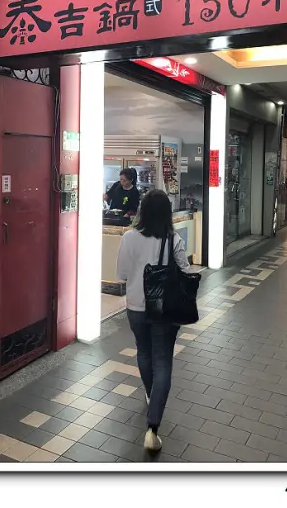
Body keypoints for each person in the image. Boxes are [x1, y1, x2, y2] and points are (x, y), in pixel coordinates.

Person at [116, 189, 190, 452]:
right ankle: (153, 428)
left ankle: (151, 394)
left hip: (136, 307)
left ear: (142, 211)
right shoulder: (173, 239)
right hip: (165, 310)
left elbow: (122, 274)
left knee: (144, 352)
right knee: (163, 362)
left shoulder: (129, 237)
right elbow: (186, 272)